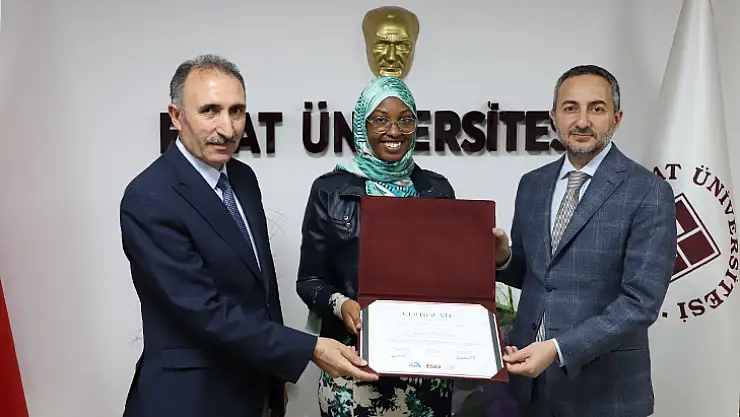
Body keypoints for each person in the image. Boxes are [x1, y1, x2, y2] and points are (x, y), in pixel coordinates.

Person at [119, 54, 378, 417]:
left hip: (252, 391)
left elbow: (261, 292)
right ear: (176, 116)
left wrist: (273, 382)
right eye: (210, 111)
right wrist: (309, 348)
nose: (227, 128)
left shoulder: (241, 179)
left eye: (237, 111)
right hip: (188, 399)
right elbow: (204, 310)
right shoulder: (149, 198)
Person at [493, 65, 677, 417]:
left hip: (605, 394)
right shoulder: (532, 184)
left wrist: (558, 349)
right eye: (570, 108)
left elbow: (640, 303)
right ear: (554, 117)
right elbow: (539, 277)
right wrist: (504, 259)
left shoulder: (649, 192)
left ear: (617, 118)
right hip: (532, 392)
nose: (582, 121)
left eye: (596, 108)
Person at [296, 76, 456, 417]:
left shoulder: (437, 190)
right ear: (362, 126)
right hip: (354, 367)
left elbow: (451, 277)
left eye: (405, 120)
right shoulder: (330, 190)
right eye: (380, 120)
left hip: (425, 371)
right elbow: (309, 281)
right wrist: (342, 305)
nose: (394, 131)